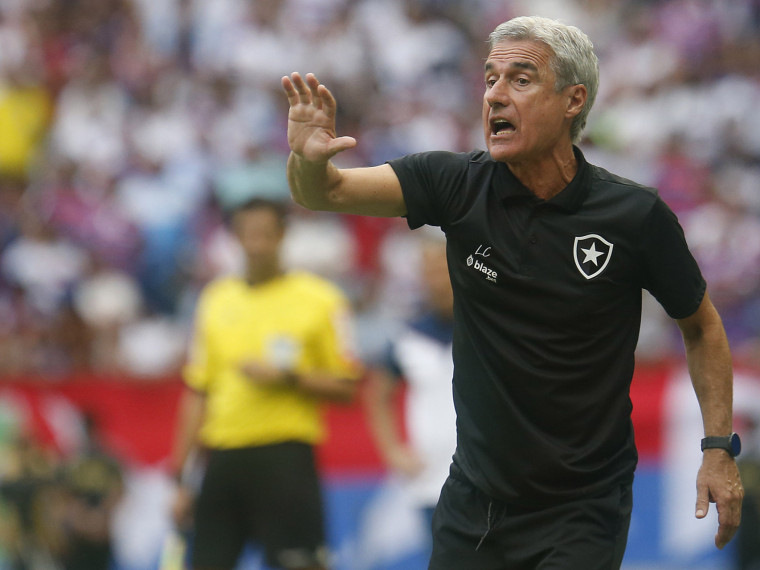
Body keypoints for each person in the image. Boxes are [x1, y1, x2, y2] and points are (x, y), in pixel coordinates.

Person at [281, 14, 744, 569]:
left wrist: (718, 449)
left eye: (520, 80)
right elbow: (325, 192)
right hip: (473, 505)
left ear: (573, 100)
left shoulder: (634, 216)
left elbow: (701, 326)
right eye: (489, 79)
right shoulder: (453, 185)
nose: (496, 96)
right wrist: (306, 160)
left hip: (582, 509)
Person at [169, 198, 362, 570]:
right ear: (235, 238)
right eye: (248, 234)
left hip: (286, 456)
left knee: (301, 563)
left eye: (265, 234)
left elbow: (347, 387)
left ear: (283, 235)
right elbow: (198, 391)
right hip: (223, 457)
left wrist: (288, 378)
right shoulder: (214, 300)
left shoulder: (321, 299)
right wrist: (180, 476)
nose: (256, 244)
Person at [364, 229, 456, 560]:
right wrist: (392, 451)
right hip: (429, 480)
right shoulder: (409, 336)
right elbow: (377, 396)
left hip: (488, 477)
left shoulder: (488, 328)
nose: (435, 278)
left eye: (441, 268)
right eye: (427, 270)